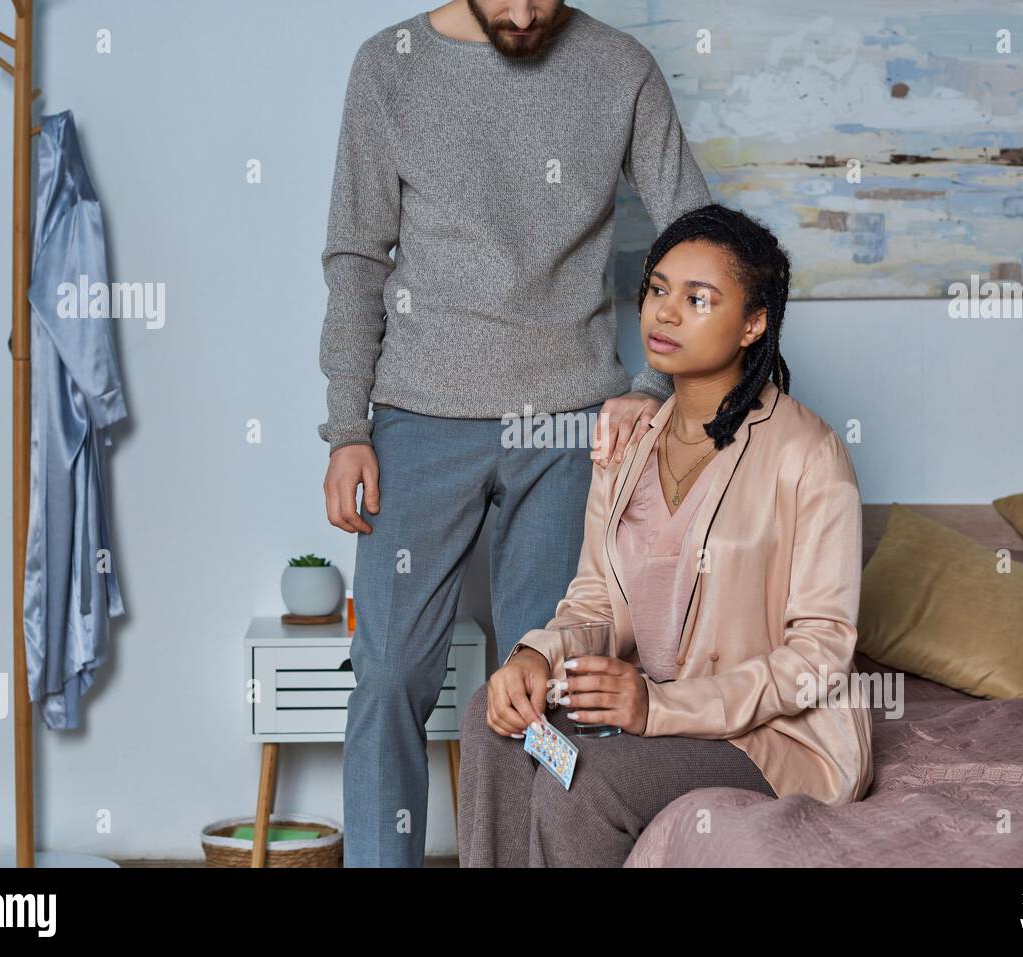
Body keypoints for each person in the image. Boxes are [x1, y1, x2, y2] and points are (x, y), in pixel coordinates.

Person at [318, 0, 712, 867]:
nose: (527, 14)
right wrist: (348, 426)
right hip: (419, 420)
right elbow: (357, 255)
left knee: (546, 688)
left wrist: (653, 388)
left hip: (569, 427)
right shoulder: (389, 65)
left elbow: (698, 234)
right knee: (388, 675)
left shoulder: (621, 69)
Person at [457, 204, 875, 867]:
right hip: (643, 707)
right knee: (495, 715)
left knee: (584, 782)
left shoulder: (809, 454)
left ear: (754, 323)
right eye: (658, 290)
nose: (666, 313)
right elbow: (595, 603)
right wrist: (537, 656)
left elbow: (820, 655)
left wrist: (661, 706)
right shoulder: (626, 443)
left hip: (768, 736)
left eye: (698, 298)